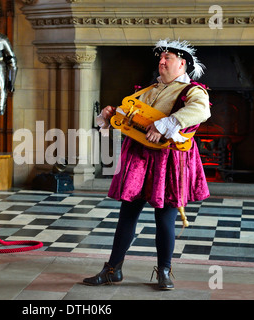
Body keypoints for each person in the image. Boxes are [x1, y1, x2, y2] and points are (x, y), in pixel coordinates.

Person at [83, 39, 211, 290]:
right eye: (160, 58)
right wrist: (111, 115)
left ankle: (164, 270)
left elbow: (201, 111)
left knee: (165, 218)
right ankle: (112, 269)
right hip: (139, 157)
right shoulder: (148, 90)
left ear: (182, 63)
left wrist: (164, 125)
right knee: (127, 215)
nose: (161, 62)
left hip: (168, 160)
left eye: (168, 58)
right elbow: (132, 118)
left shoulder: (193, 91)